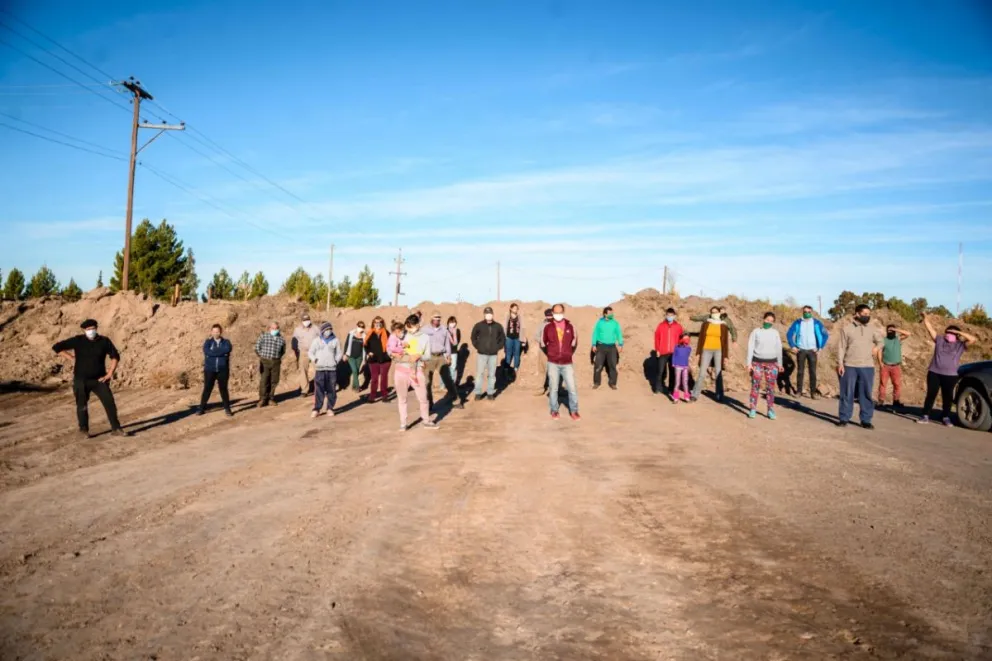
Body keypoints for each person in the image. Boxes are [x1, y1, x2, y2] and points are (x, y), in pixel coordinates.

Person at [52, 319, 126, 438]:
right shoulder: (78, 340)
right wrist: (71, 358)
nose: (91, 331)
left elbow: (115, 356)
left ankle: (116, 428)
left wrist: (110, 373)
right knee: (82, 405)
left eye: (93, 328)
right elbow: (57, 347)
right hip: (81, 380)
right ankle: (83, 430)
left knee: (110, 403)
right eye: (88, 329)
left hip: (100, 380)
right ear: (84, 330)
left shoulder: (104, 341)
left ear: (96, 328)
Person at [918, 318, 976, 426]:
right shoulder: (940, 340)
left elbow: (973, 339)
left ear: (957, 335)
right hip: (934, 372)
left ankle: (945, 417)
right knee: (931, 394)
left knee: (947, 397)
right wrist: (926, 319)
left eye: (951, 333)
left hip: (950, 375)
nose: (949, 335)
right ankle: (925, 415)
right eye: (947, 332)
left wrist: (958, 332)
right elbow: (930, 329)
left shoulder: (960, 345)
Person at [836, 305, 883, 429]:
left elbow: (881, 341)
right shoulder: (847, 329)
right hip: (849, 365)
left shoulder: (872, 329)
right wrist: (840, 363)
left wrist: (876, 348)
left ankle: (866, 420)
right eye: (865, 314)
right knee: (847, 393)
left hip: (867, 366)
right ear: (857, 314)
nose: (867, 316)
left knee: (866, 394)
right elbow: (841, 347)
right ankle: (844, 418)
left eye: (868, 314)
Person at [388, 316, 438, 430]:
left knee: (423, 397)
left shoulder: (425, 337)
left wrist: (419, 355)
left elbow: (428, 356)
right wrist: (392, 353)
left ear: (417, 325)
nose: (409, 329)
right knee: (402, 398)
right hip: (401, 370)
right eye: (407, 327)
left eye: (411, 327)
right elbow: (390, 347)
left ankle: (426, 421)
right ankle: (403, 424)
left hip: (417, 370)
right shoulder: (402, 334)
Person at [541, 303, 579, 420]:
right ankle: (554, 410)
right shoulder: (548, 327)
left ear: (563, 312)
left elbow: (574, 343)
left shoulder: (570, 327)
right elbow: (543, 343)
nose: (558, 315)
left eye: (560, 312)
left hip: (567, 363)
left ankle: (574, 411)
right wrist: (551, 354)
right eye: (556, 313)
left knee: (572, 388)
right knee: (553, 388)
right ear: (552, 313)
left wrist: (568, 353)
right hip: (553, 362)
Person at [746, 312, 785, 420]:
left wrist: (780, 364)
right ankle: (753, 409)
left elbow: (778, 348)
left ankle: (770, 410)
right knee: (755, 386)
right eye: (767, 320)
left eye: (771, 321)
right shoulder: (756, 332)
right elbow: (750, 347)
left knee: (770, 388)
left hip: (772, 363)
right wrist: (748, 363)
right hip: (757, 362)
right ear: (763, 319)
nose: (769, 322)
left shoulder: (775, 333)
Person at [787, 305, 830, 399]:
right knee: (800, 372)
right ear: (802, 312)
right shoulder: (798, 322)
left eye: (809, 312)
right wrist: (793, 345)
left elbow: (825, 335)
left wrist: (820, 347)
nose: (807, 313)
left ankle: (813, 393)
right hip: (801, 350)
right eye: (805, 312)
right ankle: (798, 392)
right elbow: (789, 334)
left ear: (812, 312)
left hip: (812, 351)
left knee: (813, 372)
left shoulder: (817, 323)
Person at [424, 310, 463, 410]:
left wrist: (448, 356)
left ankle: (456, 400)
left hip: (441, 357)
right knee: (427, 382)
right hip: (429, 357)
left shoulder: (444, 330)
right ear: (431, 318)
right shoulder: (425, 329)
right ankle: (429, 403)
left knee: (448, 379)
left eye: (439, 318)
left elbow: (447, 344)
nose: (437, 320)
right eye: (435, 317)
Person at [690, 306, 730, 402]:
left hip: (718, 350)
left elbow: (725, 342)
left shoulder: (723, 326)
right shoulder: (705, 324)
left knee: (718, 373)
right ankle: (695, 394)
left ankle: (719, 396)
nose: (714, 314)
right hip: (706, 350)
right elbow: (701, 339)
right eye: (712, 312)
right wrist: (698, 352)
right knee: (702, 373)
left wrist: (725, 356)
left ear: (719, 313)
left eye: (716, 312)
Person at [308, 322, 342, 417]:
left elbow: (339, 353)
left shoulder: (335, 340)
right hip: (320, 369)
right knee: (319, 390)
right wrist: (315, 359)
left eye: (330, 329)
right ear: (322, 330)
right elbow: (310, 352)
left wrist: (335, 361)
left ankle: (330, 408)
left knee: (332, 389)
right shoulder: (317, 341)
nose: (328, 331)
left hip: (331, 369)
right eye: (327, 329)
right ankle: (317, 409)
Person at [471, 306, 505, 401]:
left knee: (492, 375)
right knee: (479, 374)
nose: (488, 315)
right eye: (487, 313)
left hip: (493, 355)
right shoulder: (479, 325)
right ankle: (478, 393)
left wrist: (498, 347)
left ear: (492, 314)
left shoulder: (498, 326)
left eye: (490, 313)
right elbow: (473, 337)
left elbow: (502, 338)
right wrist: (478, 346)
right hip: (481, 354)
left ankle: (490, 393)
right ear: (484, 314)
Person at [199, 324, 233, 417]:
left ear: (220, 332)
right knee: (207, 388)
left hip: (223, 370)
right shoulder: (208, 342)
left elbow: (227, 349)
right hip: (210, 370)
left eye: (217, 331)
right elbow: (207, 351)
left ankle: (227, 408)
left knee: (223, 389)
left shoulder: (226, 342)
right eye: (214, 331)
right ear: (211, 332)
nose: (215, 333)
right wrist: (221, 353)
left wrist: (213, 353)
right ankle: (201, 408)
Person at [877, 324, 911, 409]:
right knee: (883, 383)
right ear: (886, 331)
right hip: (885, 365)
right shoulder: (883, 340)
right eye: (889, 330)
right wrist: (880, 363)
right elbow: (879, 351)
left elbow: (908, 334)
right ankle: (881, 401)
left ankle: (896, 401)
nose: (890, 332)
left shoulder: (898, 339)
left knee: (897, 384)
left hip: (896, 366)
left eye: (892, 330)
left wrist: (896, 330)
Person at [255, 321, 287, 407]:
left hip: (276, 362)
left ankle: (271, 398)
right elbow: (257, 347)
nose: (275, 330)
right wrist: (262, 356)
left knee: (274, 381)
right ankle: (262, 399)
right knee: (264, 380)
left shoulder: (281, 339)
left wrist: (277, 357)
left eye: (276, 328)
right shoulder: (264, 336)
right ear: (269, 328)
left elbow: (283, 351)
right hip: (265, 361)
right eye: (273, 328)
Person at [653, 308, 683, 397]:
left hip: (674, 353)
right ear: (666, 315)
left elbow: (681, 339)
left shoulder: (678, 326)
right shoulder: (661, 326)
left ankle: (671, 389)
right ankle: (658, 388)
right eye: (668, 315)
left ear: (674, 316)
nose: (669, 317)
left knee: (672, 371)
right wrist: (657, 350)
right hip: (662, 352)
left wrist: (680, 351)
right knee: (660, 371)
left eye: (671, 315)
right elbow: (657, 338)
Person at [591, 306, 624, 390]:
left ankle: (613, 383)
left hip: (612, 347)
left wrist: (620, 344)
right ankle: (597, 383)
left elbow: (619, 334)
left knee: (612, 365)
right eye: (610, 313)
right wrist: (594, 344)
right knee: (598, 365)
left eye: (612, 313)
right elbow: (595, 333)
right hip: (601, 346)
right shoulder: (599, 322)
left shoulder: (615, 323)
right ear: (605, 314)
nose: (612, 314)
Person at [364, 316, 391, 403]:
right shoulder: (370, 333)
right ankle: (372, 396)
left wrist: (390, 354)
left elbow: (391, 344)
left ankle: (384, 396)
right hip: (373, 359)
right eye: (376, 322)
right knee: (374, 379)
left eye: (380, 322)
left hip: (385, 359)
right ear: (373, 323)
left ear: (382, 323)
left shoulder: (387, 333)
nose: (378, 324)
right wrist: (368, 352)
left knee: (384, 378)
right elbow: (365, 345)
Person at [292, 313, 319, 396]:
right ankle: (304, 390)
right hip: (303, 352)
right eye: (304, 320)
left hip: (315, 351)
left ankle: (318, 388)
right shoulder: (297, 329)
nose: (306, 321)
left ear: (310, 320)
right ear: (302, 321)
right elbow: (294, 341)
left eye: (307, 319)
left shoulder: (315, 328)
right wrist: (296, 351)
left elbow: (321, 338)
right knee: (303, 371)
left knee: (318, 369)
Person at [534, 308, 553, 396]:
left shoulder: (557, 325)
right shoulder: (541, 325)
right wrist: (542, 341)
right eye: (548, 316)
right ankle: (540, 388)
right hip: (543, 350)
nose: (549, 317)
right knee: (542, 369)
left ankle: (556, 389)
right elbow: (536, 336)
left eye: (551, 315)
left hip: (555, 351)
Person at [503, 303, 527, 372]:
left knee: (517, 353)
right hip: (508, 338)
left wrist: (523, 339)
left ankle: (516, 367)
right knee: (508, 353)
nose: (515, 309)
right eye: (514, 308)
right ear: (510, 308)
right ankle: (507, 367)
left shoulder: (519, 317)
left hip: (517, 338)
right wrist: (503, 337)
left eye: (516, 308)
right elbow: (504, 327)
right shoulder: (507, 316)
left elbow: (522, 328)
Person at [344, 322, 366, 393]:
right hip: (351, 356)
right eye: (359, 326)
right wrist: (345, 354)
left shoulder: (364, 336)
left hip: (359, 357)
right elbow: (346, 343)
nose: (360, 328)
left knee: (356, 371)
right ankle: (357, 387)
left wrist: (364, 358)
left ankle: (354, 386)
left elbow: (365, 348)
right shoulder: (351, 333)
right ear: (357, 326)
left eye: (362, 327)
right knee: (354, 371)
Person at [671, 332, 693, 403]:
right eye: (685, 338)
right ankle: (675, 397)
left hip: (685, 366)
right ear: (681, 338)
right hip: (677, 366)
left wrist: (688, 364)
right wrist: (673, 363)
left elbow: (687, 356)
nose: (687, 340)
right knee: (677, 382)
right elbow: (674, 355)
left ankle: (686, 397)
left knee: (685, 382)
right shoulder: (676, 347)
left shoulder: (689, 348)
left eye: (688, 338)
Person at [447, 316, 462, 386]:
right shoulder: (445, 331)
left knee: (453, 367)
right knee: (445, 368)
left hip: (454, 351)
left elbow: (458, 341)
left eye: (454, 322)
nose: (452, 324)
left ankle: (452, 384)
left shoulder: (457, 331)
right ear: (448, 323)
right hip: (446, 352)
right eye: (451, 322)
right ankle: (443, 385)